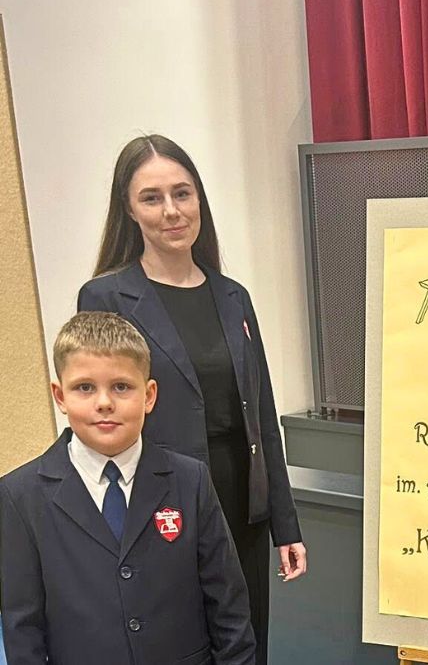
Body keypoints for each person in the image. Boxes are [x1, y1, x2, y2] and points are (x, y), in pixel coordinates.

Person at [77, 134, 306, 664]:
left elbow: (261, 416)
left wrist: (285, 524)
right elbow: (99, 418)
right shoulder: (106, 297)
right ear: (129, 210)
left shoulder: (233, 296)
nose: (172, 211)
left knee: (246, 642)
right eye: (151, 198)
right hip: (160, 505)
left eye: (182, 193)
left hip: (242, 504)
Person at [0, 311, 256, 664]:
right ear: (59, 396)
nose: (104, 402)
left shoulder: (190, 480)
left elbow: (228, 606)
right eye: (84, 387)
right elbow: (22, 629)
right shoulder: (19, 496)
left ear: (149, 395)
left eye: (121, 386)